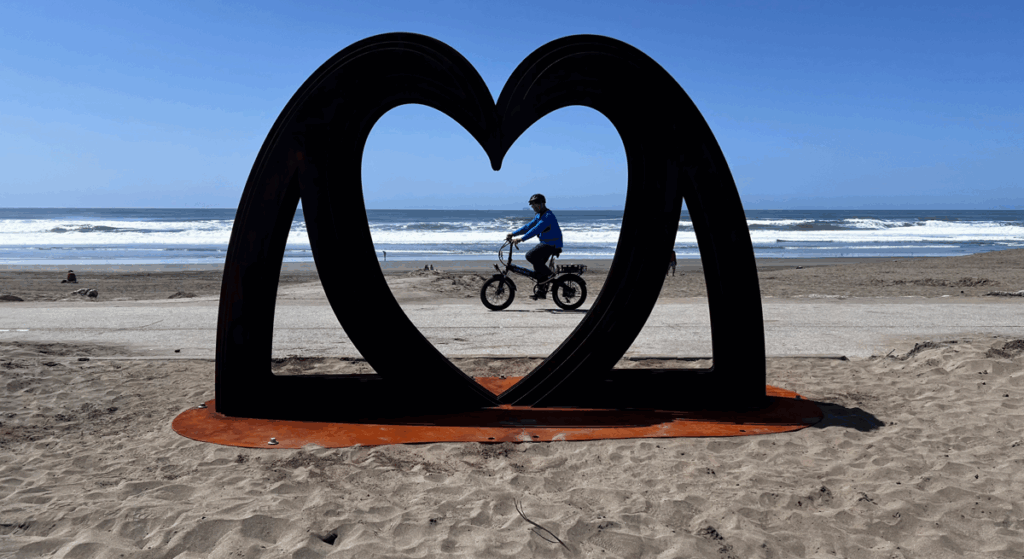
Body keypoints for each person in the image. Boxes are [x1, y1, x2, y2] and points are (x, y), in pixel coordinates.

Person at [507, 194, 563, 299]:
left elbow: (536, 229)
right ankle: (541, 291)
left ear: (541, 204)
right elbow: (528, 227)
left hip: (552, 244)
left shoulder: (547, 216)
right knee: (538, 267)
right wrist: (513, 234)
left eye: (534, 205)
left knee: (530, 256)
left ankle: (549, 275)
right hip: (546, 243)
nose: (532, 207)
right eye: (532, 205)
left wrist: (521, 239)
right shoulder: (539, 215)